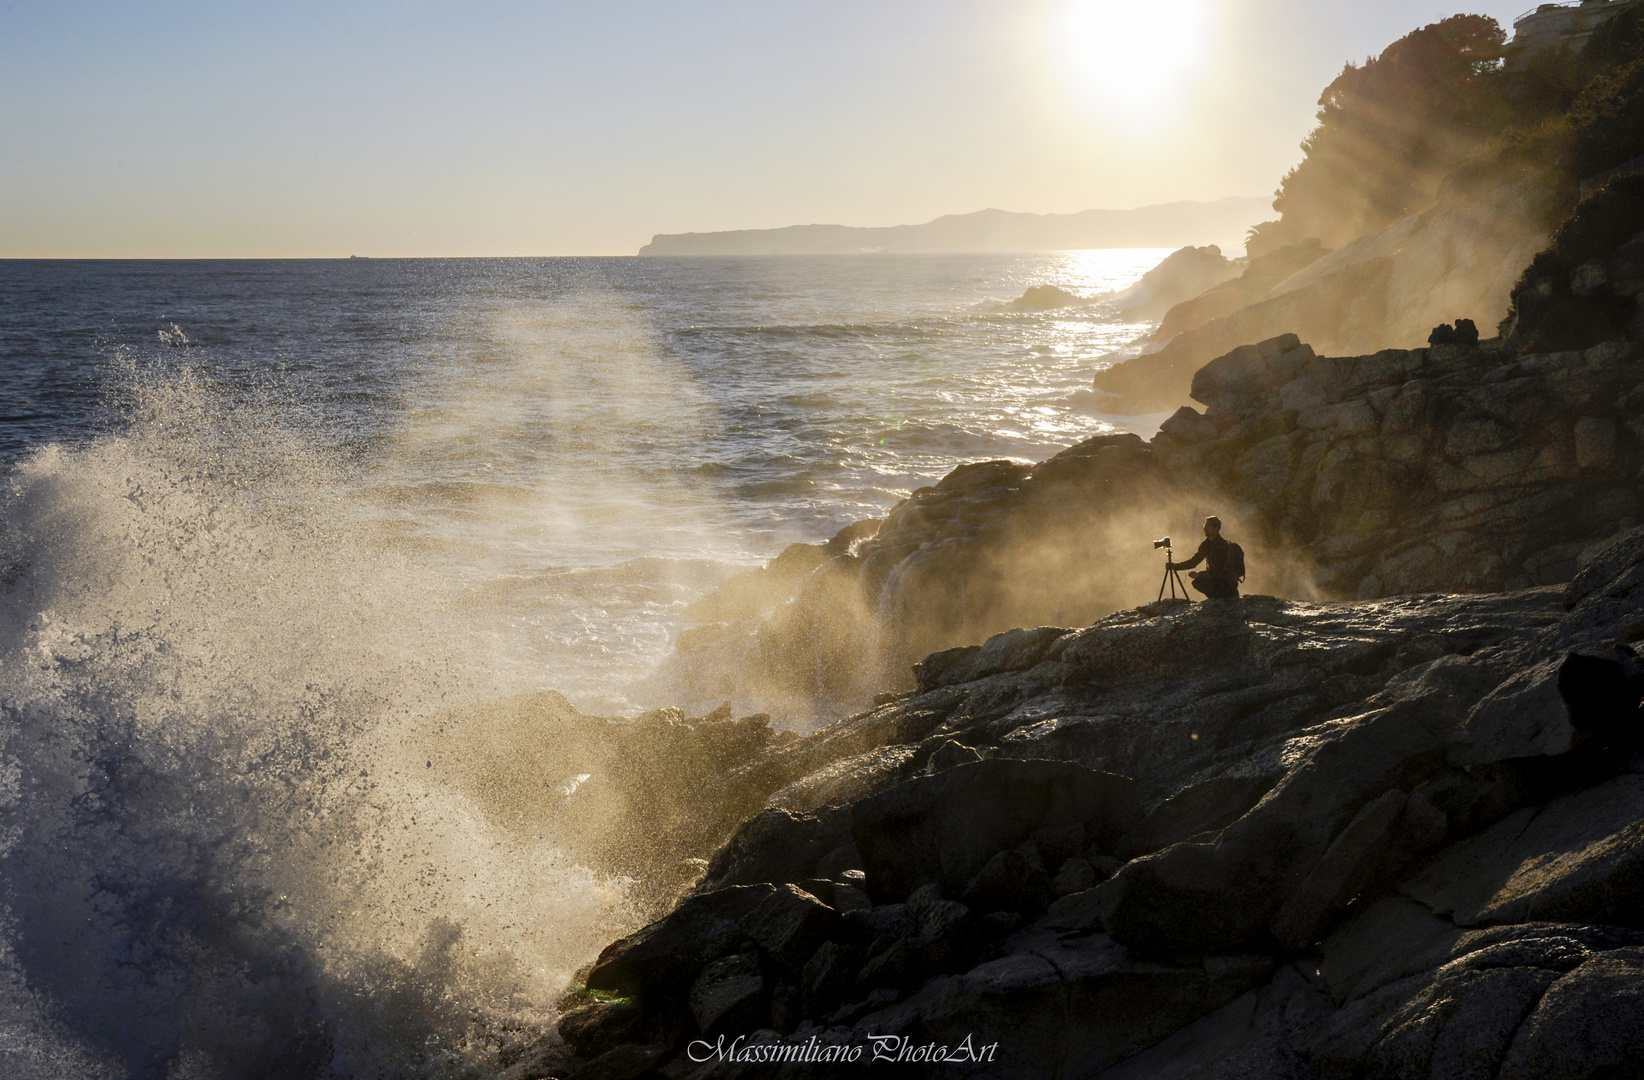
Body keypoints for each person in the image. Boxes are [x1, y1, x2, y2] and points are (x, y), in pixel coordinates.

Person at [1168, 516, 1240, 599]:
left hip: (1227, 582)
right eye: (1204, 526)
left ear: (1216, 528)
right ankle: (1217, 599)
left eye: (1208, 526)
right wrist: (1176, 566)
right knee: (1197, 582)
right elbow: (1194, 561)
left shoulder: (1223, 546)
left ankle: (1222, 598)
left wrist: (1199, 575)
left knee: (1199, 581)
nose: (1205, 528)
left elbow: (1218, 570)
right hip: (1216, 579)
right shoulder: (1206, 545)